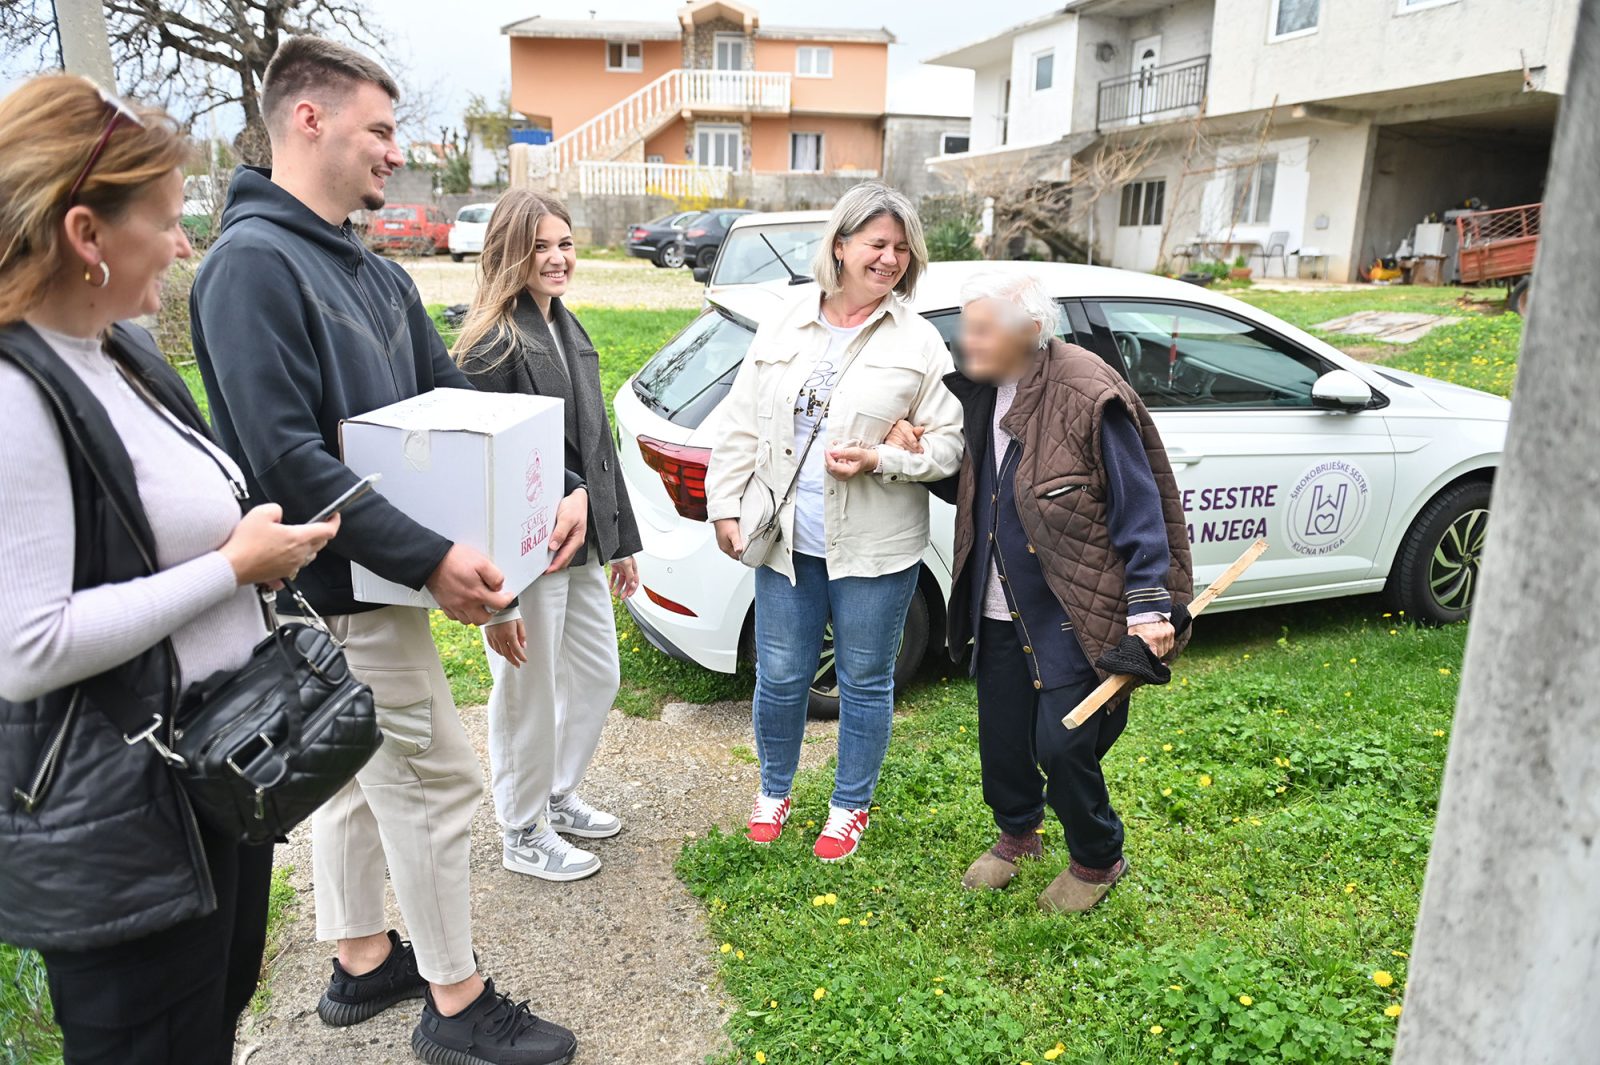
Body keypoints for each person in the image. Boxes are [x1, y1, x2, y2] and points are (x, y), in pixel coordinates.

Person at [189, 37, 580, 1065]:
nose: (397, 154)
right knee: (435, 781)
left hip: (383, 576)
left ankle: (363, 961)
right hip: (333, 589)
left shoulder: (369, 268)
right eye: (381, 129)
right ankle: (457, 1007)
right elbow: (285, 456)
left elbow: (453, 401)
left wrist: (560, 488)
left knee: (362, 781)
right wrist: (431, 559)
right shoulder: (249, 268)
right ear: (307, 119)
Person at [0, 75, 339, 1064]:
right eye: (165, 218)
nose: (187, 242)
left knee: (211, 1019)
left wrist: (252, 550)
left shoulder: (119, 354)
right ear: (85, 234)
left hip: (206, 781)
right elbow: (27, 647)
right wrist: (235, 567)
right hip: (119, 827)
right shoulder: (19, 392)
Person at [892, 270, 1193, 913]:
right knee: (1002, 739)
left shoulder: (1086, 391)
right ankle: (1019, 834)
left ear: (1031, 332)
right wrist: (915, 456)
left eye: (981, 330)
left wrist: (1148, 606)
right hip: (998, 606)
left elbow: (1139, 504)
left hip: (1074, 607)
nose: (965, 342)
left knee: (1063, 741)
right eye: (965, 328)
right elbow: (978, 491)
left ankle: (1098, 856)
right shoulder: (982, 391)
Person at [704, 182, 964, 862]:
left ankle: (850, 805)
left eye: (903, 249)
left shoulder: (920, 339)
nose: (890, 260)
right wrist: (724, 504)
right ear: (841, 246)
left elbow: (949, 446)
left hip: (877, 548)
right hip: (788, 540)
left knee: (866, 679)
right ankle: (775, 788)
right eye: (878, 244)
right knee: (782, 673)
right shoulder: (787, 319)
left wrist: (883, 457)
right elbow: (739, 422)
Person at [454, 189, 641, 882]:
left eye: (564, 243)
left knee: (598, 674)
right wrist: (496, 598)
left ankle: (556, 794)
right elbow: (483, 469)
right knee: (525, 693)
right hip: (525, 554)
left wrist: (621, 539)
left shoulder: (566, 324)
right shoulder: (490, 343)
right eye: (541, 246)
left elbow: (599, 445)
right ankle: (521, 826)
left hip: (584, 544)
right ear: (510, 251)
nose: (558, 257)